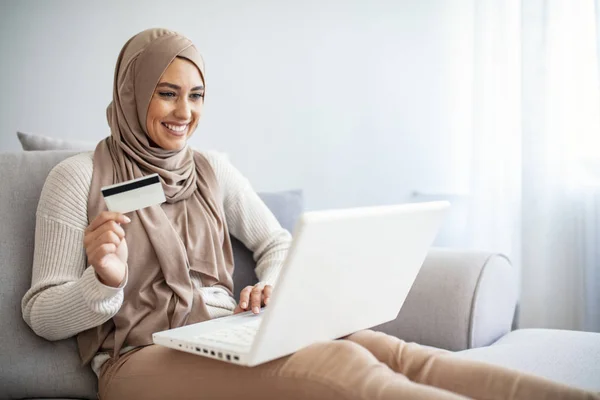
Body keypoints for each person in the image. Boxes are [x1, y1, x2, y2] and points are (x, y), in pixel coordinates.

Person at [21, 28, 597, 400]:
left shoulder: (212, 169)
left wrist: (269, 286)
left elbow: (276, 244)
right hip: (139, 361)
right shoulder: (77, 178)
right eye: (166, 93)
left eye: (196, 95)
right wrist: (104, 283)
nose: (184, 112)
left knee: (396, 353)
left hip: (226, 330)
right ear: (131, 92)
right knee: (345, 368)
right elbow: (42, 313)